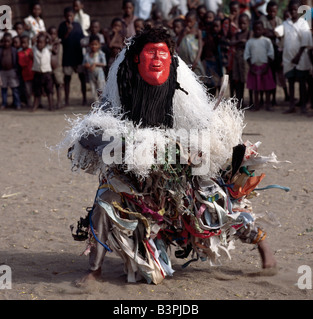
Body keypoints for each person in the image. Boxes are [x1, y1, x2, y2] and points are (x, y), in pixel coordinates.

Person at [60, 26, 280, 286]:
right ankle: (95, 270)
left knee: (214, 204)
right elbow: (89, 131)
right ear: (136, 58)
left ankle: (262, 243)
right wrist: (125, 144)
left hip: (178, 168)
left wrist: (181, 149)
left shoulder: (181, 86)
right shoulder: (120, 86)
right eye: (151, 52)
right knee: (104, 203)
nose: (157, 59)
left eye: (162, 53)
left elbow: (204, 128)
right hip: (132, 171)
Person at [275, 0, 312, 114]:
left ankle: (303, 106)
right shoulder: (286, 24)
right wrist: (279, 37)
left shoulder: (303, 24)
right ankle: (292, 105)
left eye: (295, 9)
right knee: (290, 81)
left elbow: (306, 41)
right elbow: (280, 41)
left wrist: (298, 55)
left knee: (301, 81)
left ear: (299, 10)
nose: (293, 12)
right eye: (291, 10)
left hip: (301, 57)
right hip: (288, 57)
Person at [260, 1, 288, 106]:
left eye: (274, 11)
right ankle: (262, 99)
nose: (272, 13)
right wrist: (273, 33)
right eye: (270, 11)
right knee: (264, 75)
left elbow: (280, 35)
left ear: (276, 11)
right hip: (264, 52)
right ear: (267, 11)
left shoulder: (279, 20)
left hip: (276, 52)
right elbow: (262, 32)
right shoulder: (262, 19)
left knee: (274, 76)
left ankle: (273, 99)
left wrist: (270, 32)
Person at [244, 20, 276, 111]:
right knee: (255, 88)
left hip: (265, 66)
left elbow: (270, 54)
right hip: (254, 67)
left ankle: (268, 105)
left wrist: (267, 67)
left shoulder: (266, 41)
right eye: (256, 29)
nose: (258, 31)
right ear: (253, 30)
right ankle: (256, 105)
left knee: (267, 87)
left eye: (259, 29)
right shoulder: (250, 42)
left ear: (263, 30)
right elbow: (247, 55)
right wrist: (251, 67)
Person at [58, 6, 86, 106]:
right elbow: (61, 40)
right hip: (67, 56)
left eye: (71, 15)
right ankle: (66, 100)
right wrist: (68, 31)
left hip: (78, 55)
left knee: (82, 77)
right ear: (65, 16)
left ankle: (84, 99)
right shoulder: (62, 26)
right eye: (68, 16)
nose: (69, 17)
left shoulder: (78, 25)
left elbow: (82, 38)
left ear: (74, 16)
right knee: (67, 79)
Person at [178, 9, 206, 81]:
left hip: (194, 59)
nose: (188, 23)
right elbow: (178, 43)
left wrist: (197, 60)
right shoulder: (183, 31)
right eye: (186, 21)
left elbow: (200, 47)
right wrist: (183, 34)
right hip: (185, 59)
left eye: (190, 21)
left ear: (195, 21)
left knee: (197, 78)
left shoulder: (197, 32)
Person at [232, 13, 251, 108]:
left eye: (244, 23)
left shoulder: (249, 33)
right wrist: (240, 42)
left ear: (248, 23)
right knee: (238, 81)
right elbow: (232, 42)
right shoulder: (237, 34)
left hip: (246, 59)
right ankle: (240, 100)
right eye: (240, 23)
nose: (242, 25)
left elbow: (250, 43)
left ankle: (250, 100)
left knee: (247, 80)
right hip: (237, 59)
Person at [31, 33, 53, 112]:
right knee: (37, 91)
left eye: (42, 42)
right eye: (38, 42)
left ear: (45, 43)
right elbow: (32, 40)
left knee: (49, 90)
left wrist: (46, 34)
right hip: (37, 73)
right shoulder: (34, 49)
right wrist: (37, 34)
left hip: (46, 73)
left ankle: (51, 106)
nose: (40, 44)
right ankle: (35, 106)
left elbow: (50, 40)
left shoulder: (48, 49)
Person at [201, 18, 223, 95]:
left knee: (217, 84)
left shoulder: (218, 37)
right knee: (210, 86)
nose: (214, 28)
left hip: (216, 64)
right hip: (208, 63)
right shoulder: (205, 37)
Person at [0, 33, 21, 110]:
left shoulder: (13, 50)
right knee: (4, 89)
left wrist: (16, 70)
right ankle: (4, 103)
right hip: (3, 72)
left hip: (12, 71)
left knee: (15, 88)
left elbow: (16, 61)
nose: (6, 43)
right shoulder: (1, 50)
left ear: (11, 41)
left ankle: (17, 103)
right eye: (5, 41)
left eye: (8, 41)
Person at [83, 35, 107, 101]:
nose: (94, 46)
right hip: (91, 74)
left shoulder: (101, 54)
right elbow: (84, 64)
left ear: (99, 45)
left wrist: (95, 64)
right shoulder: (87, 55)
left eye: (96, 44)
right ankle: (96, 104)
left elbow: (104, 64)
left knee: (101, 89)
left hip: (99, 74)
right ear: (89, 45)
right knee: (93, 89)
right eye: (92, 44)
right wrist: (86, 65)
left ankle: (103, 103)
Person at [48, 26, 64, 109]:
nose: (52, 36)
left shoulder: (59, 45)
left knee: (59, 86)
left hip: (58, 69)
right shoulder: (47, 45)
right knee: (50, 87)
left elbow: (57, 53)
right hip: (48, 69)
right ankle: (51, 104)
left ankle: (59, 102)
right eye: (51, 34)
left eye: (54, 34)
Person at [18, 35, 34, 109]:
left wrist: (32, 56)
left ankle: (37, 103)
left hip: (33, 74)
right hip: (25, 75)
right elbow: (22, 63)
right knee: (28, 90)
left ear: (28, 43)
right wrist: (27, 57)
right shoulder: (20, 53)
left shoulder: (31, 51)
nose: (24, 44)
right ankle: (29, 103)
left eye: (25, 43)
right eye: (22, 43)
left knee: (35, 89)